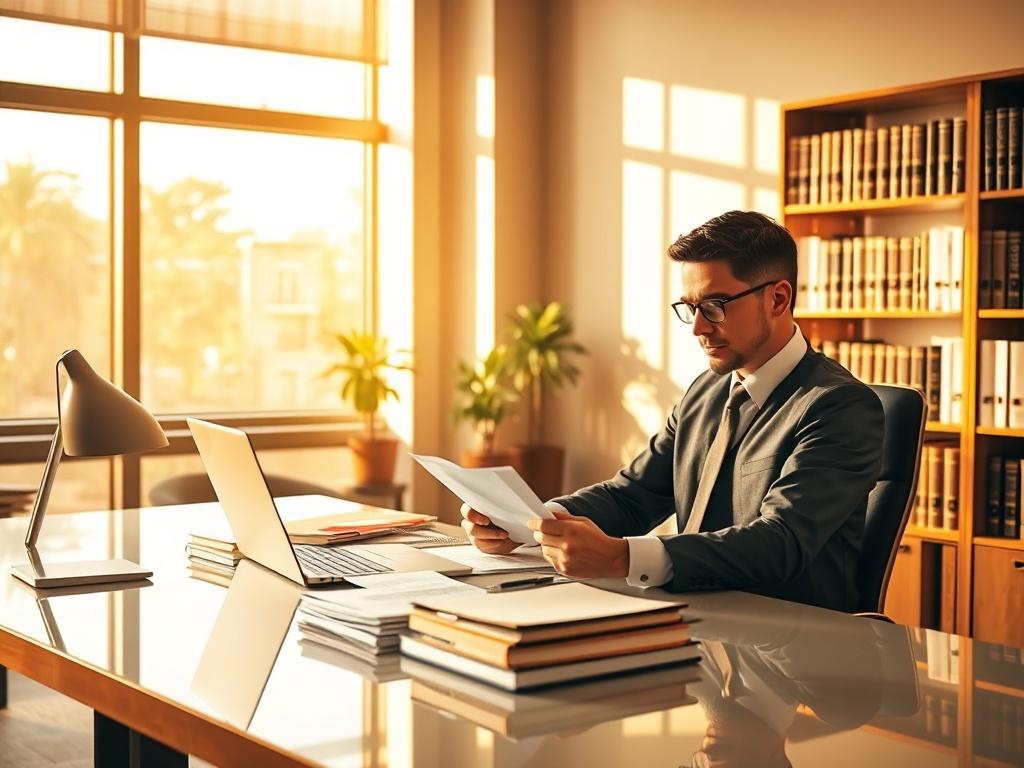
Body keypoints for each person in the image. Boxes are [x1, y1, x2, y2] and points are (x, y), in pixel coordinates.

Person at [461, 210, 885, 612]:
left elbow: (780, 542)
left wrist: (621, 557)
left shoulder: (839, 407)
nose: (699, 328)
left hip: (789, 648)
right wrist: (529, 523)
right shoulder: (707, 390)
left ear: (777, 299)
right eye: (690, 308)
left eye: (715, 306)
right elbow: (633, 496)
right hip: (698, 621)